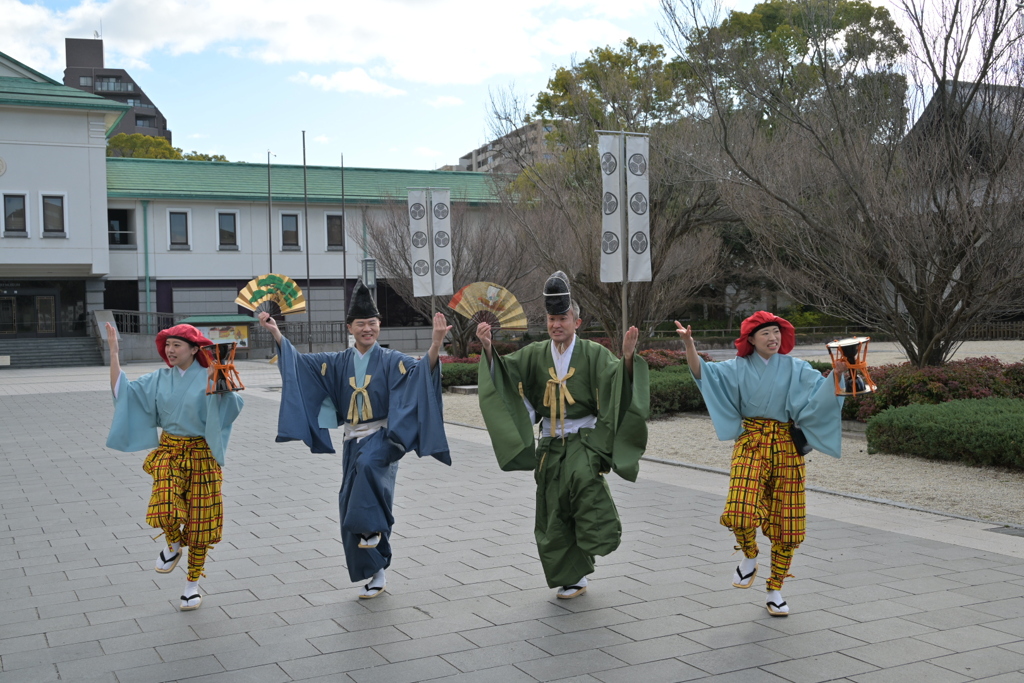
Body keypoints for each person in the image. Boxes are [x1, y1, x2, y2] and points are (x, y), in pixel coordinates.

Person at [258, 281, 451, 599]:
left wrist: (435, 345)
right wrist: (276, 333)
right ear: (350, 327)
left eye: (372, 323)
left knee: (369, 466)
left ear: (379, 326)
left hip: (384, 437)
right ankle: (376, 572)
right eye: (361, 324)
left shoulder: (390, 360)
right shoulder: (337, 362)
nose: (367, 329)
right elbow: (298, 364)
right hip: (353, 438)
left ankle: (373, 529)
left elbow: (419, 375)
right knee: (349, 503)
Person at [476, 271, 649, 599]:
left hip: (583, 442)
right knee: (553, 509)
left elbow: (616, 383)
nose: (557, 324)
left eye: (563, 318)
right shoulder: (534, 354)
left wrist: (627, 359)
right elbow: (505, 376)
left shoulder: (594, 354)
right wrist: (487, 348)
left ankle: (596, 540)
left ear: (577, 322)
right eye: (552, 318)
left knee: (586, 492)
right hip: (550, 445)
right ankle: (574, 576)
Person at [676, 311, 847, 616]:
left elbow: (822, 391)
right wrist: (689, 345)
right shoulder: (736, 368)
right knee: (739, 511)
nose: (773, 338)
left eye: (777, 332)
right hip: (751, 441)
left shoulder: (796, 367)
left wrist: (840, 372)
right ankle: (750, 555)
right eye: (766, 333)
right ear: (750, 339)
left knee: (788, 524)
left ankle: (776, 589)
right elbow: (703, 373)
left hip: (785, 445)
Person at [105, 322, 244, 611]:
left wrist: (218, 382)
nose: (170, 350)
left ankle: (192, 585)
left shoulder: (209, 374)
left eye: (177, 345)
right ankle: (172, 544)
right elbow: (125, 393)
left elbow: (231, 407)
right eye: (167, 345)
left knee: (200, 524)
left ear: (194, 349)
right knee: (165, 505)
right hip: (170, 450)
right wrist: (114, 353)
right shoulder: (159, 378)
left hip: (201, 454)